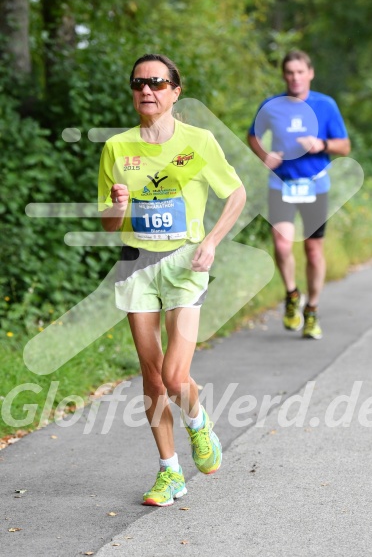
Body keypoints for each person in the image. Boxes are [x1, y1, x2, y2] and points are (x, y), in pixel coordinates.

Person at [98, 53, 246, 506]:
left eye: (158, 83)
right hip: (137, 262)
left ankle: (199, 424)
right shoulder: (117, 148)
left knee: (174, 374)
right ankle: (170, 472)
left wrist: (213, 240)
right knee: (151, 376)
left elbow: (236, 192)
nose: (147, 90)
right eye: (139, 83)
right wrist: (119, 204)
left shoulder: (198, 141)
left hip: (186, 263)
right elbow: (108, 224)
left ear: (175, 91)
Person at [247, 50, 350, 339]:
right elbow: (253, 135)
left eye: (300, 72)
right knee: (281, 245)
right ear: (284, 76)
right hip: (282, 183)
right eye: (289, 72)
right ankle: (292, 295)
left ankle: (312, 309)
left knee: (313, 250)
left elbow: (344, 146)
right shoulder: (272, 106)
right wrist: (264, 155)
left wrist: (321, 144)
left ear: (310, 73)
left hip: (315, 184)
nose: (295, 77)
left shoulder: (325, 105)